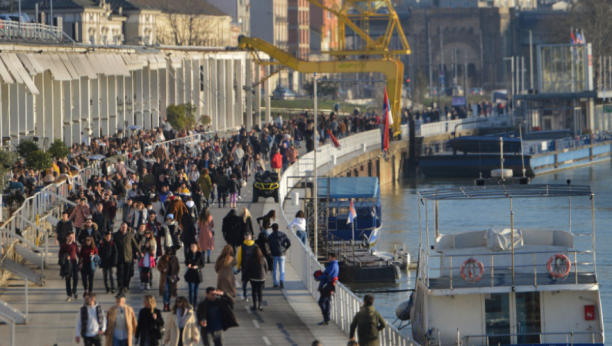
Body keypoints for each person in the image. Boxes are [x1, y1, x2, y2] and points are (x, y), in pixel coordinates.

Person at [114, 222, 141, 293]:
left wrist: (140, 252)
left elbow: (135, 245)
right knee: (120, 272)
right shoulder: (116, 235)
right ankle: (120, 286)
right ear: (120, 227)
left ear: (127, 228)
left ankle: (126, 285)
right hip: (120, 257)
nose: (124, 228)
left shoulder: (130, 235)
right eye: (123, 227)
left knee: (127, 273)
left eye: (125, 227)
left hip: (128, 257)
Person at [315, 252, 339, 325]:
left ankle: (326, 318)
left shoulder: (332, 266)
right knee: (327, 302)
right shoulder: (334, 265)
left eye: (329, 257)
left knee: (322, 302)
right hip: (330, 286)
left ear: (333, 258)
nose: (328, 258)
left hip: (328, 286)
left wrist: (318, 277)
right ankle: (327, 319)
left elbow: (326, 275)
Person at [267, 223, 291, 289]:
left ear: (272, 229)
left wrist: (270, 250)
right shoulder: (283, 234)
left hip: (274, 254)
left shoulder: (271, 236)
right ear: (278, 228)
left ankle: (275, 282)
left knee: (274, 269)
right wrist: (285, 248)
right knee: (282, 268)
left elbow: (268, 244)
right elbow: (289, 243)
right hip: (282, 253)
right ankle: (281, 281)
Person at [244, 247, 267, 311]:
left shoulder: (250, 259)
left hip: (253, 278)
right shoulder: (263, 258)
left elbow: (247, 268)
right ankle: (260, 304)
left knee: (254, 291)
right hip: (261, 278)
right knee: (260, 291)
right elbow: (266, 267)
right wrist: (264, 275)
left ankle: (255, 305)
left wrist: (247, 277)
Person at [235, 233, 256, 301]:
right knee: (254, 282)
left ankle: (245, 295)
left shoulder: (242, 246)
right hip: (253, 267)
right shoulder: (255, 246)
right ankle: (254, 295)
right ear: (251, 237)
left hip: (245, 266)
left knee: (244, 281)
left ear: (245, 237)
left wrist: (238, 266)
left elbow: (239, 257)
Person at [59, 231, 79, 301]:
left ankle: (74, 290)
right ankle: (69, 294)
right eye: (70, 236)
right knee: (68, 280)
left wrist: (81, 262)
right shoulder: (63, 246)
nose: (71, 238)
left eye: (72, 236)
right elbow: (60, 255)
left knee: (76, 277)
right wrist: (65, 256)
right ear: (67, 237)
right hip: (67, 265)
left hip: (74, 263)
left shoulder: (74, 245)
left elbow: (78, 254)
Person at [185, 242, 205, 307]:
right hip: (190, 274)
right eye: (191, 247)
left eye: (193, 246)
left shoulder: (199, 254)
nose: (192, 248)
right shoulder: (189, 254)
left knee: (196, 291)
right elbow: (186, 261)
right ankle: (190, 304)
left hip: (197, 274)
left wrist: (197, 266)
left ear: (197, 247)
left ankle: (195, 303)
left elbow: (202, 264)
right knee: (191, 290)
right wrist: (188, 264)